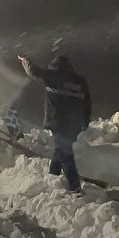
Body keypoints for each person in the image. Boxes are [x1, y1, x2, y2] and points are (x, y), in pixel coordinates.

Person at [18, 54, 92, 193]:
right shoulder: (80, 81)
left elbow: (33, 71)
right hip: (74, 124)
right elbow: (87, 103)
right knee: (61, 149)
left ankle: (74, 187)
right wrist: (85, 121)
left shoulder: (53, 77)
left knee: (66, 154)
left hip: (58, 123)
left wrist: (25, 60)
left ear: (54, 67)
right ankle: (53, 177)